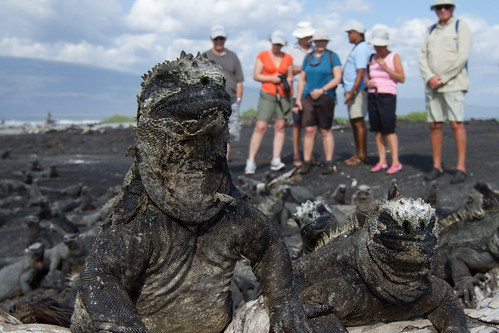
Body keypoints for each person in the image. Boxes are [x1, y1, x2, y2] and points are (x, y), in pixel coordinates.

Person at [419, 0, 472, 184]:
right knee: (435, 125)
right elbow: (422, 57)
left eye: (446, 7)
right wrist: (429, 78)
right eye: (439, 8)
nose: (442, 10)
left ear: (452, 9)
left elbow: (462, 55)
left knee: (456, 124)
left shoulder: (460, 26)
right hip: (432, 85)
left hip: (453, 84)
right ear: (434, 10)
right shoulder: (431, 30)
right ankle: (436, 166)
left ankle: (460, 167)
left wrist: (442, 77)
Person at [245, 30, 294, 175]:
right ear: (271, 42)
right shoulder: (263, 56)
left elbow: (290, 76)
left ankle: (276, 159)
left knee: (280, 126)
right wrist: (272, 79)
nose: (277, 46)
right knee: (261, 126)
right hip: (268, 92)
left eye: (280, 44)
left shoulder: (288, 58)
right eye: (275, 44)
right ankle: (251, 160)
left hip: (284, 95)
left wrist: (287, 82)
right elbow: (256, 75)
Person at [295, 28, 342, 175]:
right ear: (314, 42)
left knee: (325, 130)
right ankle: (307, 162)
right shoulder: (308, 58)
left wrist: (321, 90)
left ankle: (328, 162)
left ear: (326, 42)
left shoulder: (332, 56)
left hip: (326, 96)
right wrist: (298, 99)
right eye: (318, 41)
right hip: (308, 97)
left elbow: (337, 78)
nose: (320, 43)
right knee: (309, 130)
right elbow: (302, 79)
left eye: (323, 41)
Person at [366, 27, 405, 175]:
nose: (378, 47)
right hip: (373, 95)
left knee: (389, 130)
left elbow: (401, 78)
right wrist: (368, 83)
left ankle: (395, 162)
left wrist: (386, 68)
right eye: (376, 45)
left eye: (380, 45)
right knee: (377, 130)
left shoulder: (393, 56)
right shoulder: (371, 57)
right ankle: (382, 161)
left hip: (387, 95)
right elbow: (367, 77)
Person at [203, 25, 244, 161]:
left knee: (228, 135)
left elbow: (239, 80)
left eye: (221, 38)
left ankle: (224, 165)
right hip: (211, 102)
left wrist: (238, 99)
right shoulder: (206, 56)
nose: (219, 41)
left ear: (225, 39)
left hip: (230, 101)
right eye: (216, 39)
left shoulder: (233, 57)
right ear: (212, 39)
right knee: (210, 134)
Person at [343, 22, 372, 166]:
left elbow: (361, 72)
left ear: (357, 33)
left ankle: (362, 155)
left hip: (357, 91)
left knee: (358, 121)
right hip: (353, 90)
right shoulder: (358, 48)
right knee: (355, 122)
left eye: (350, 33)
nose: (348, 35)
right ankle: (358, 152)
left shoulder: (361, 49)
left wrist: (353, 91)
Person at [288, 21, 315, 168]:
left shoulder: (316, 49)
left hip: (313, 92)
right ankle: (296, 155)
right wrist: (304, 68)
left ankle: (308, 155)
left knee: (312, 125)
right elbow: (288, 70)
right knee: (297, 124)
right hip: (296, 90)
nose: (308, 38)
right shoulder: (291, 51)